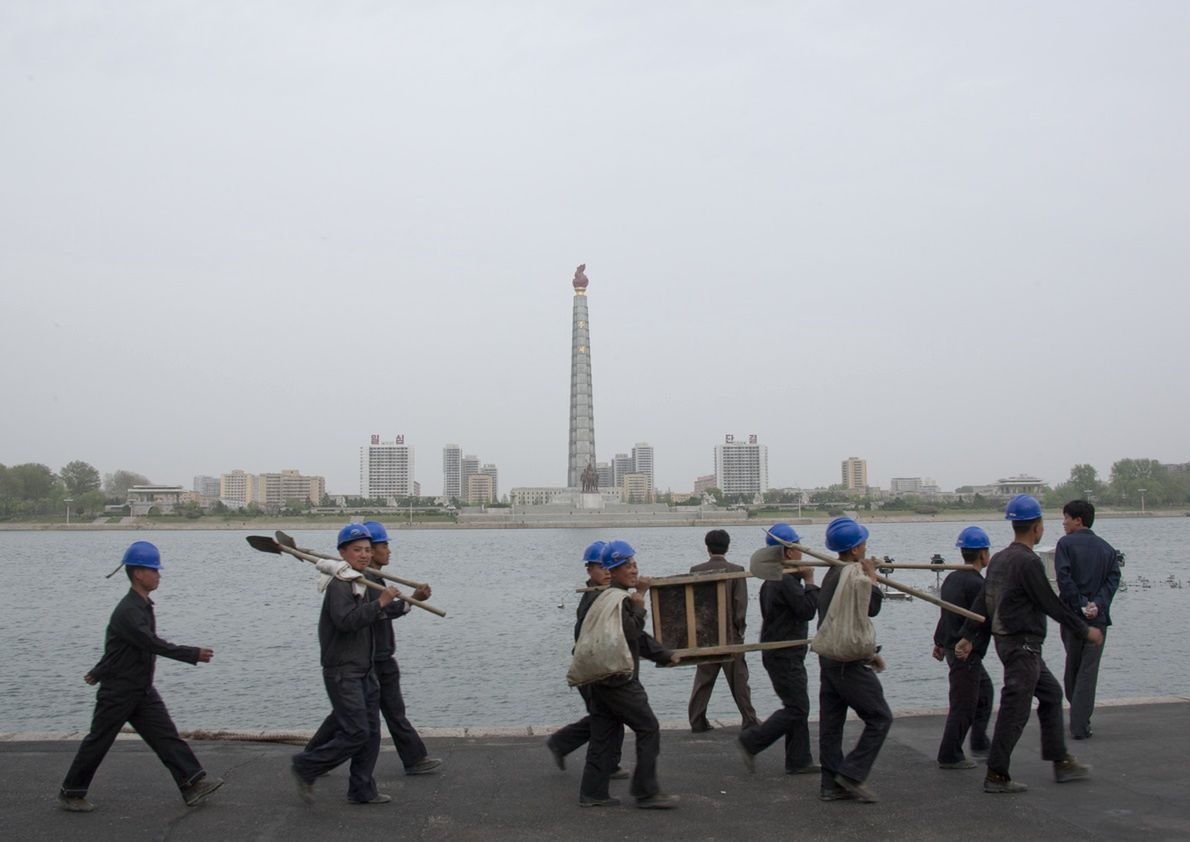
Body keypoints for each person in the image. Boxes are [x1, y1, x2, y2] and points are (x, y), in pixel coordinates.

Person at [58, 541, 224, 812]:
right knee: (98, 742)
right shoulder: (129, 611)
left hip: (140, 689)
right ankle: (71, 792)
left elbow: (119, 647)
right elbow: (150, 643)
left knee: (166, 736)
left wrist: (97, 671)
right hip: (120, 691)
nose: (159, 575)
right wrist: (192, 654)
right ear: (138, 574)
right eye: (154, 570)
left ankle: (193, 783)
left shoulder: (141, 606)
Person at [956, 495, 1104, 794]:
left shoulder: (999, 559)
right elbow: (1050, 603)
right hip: (1022, 645)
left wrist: (968, 635)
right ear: (1037, 527)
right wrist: (1083, 629)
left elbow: (984, 601)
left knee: (1050, 695)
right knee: (1015, 709)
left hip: (1011, 643)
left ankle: (1060, 759)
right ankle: (996, 774)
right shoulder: (1028, 562)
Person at [291, 523, 401, 805]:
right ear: (342, 552)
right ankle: (307, 765)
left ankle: (362, 789)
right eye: (357, 550)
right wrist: (380, 604)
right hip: (343, 671)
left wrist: (405, 604)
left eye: (367, 550)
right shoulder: (340, 584)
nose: (364, 555)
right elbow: (346, 621)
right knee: (356, 732)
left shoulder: (360, 580)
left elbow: (375, 616)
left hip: (365, 669)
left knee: (372, 734)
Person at [577, 540, 679, 809]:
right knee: (648, 727)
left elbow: (637, 640)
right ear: (613, 570)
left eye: (634, 564)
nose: (634, 570)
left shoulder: (606, 597)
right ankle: (645, 791)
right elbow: (631, 633)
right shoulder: (620, 600)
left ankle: (593, 792)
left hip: (600, 678)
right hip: (618, 679)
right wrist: (641, 602)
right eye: (627, 566)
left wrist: (664, 654)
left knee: (602, 734)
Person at [816, 517, 890, 804]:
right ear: (856, 550)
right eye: (863, 543)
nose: (866, 547)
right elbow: (869, 609)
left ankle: (830, 784)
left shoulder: (833, 574)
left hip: (830, 658)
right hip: (847, 664)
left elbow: (843, 623)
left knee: (832, 724)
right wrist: (871, 579)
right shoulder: (853, 577)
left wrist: (870, 655)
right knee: (880, 717)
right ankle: (852, 774)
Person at [737, 523, 820, 775]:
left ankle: (799, 759)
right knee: (797, 707)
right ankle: (752, 741)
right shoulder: (784, 581)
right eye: (797, 548)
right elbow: (806, 611)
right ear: (787, 552)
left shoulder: (774, 579)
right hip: (784, 653)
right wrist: (810, 581)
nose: (801, 552)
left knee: (797, 704)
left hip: (783, 652)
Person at [362, 521, 442, 775]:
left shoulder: (375, 576)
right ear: (371, 550)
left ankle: (414, 758)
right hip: (374, 658)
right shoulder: (366, 579)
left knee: (388, 711)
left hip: (381, 655)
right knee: (361, 716)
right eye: (384, 545)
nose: (389, 550)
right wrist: (413, 601)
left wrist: (411, 600)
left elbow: (385, 609)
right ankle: (311, 760)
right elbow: (381, 612)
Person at [547, 541, 628, 780]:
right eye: (599, 567)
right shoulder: (596, 600)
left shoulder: (605, 595)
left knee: (608, 716)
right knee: (608, 717)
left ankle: (567, 746)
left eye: (608, 567)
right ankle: (596, 764)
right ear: (589, 570)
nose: (605, 571)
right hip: (593, 670)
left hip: (597, 667)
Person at [1054, 500, 1121, 740]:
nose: (1063, 523)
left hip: (1072, 617)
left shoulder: (1065, 545)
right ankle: (1081, 720)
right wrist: (1096, 604)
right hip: (1098, 619)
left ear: (1078, 520)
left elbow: (1063, 578)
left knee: (1072, 666)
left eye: (1066, 518)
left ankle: (1078, 720)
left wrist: (1082, 604)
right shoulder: (1107, 549)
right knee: (1088, 671)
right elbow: (1113, 580)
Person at [931, 526, 994, 769]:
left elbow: (945, 614)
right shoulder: (978, 584)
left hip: (951, 647)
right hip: (964, 651)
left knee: (985, 693)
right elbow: (979, 621)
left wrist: (938, 642)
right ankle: (950, 754)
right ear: (983, 554)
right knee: (964, 703)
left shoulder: (952, 578)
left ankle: (979, 741)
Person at [687, 529, 760, 733]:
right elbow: (740, 605)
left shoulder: (695, 570)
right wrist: (740, 630)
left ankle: (697, 721)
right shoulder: (736, 570)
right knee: (739, 680)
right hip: (730, 636)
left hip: (705, 636)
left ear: (707, 547)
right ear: (728, 547)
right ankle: (749, 719)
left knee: (703, 681)